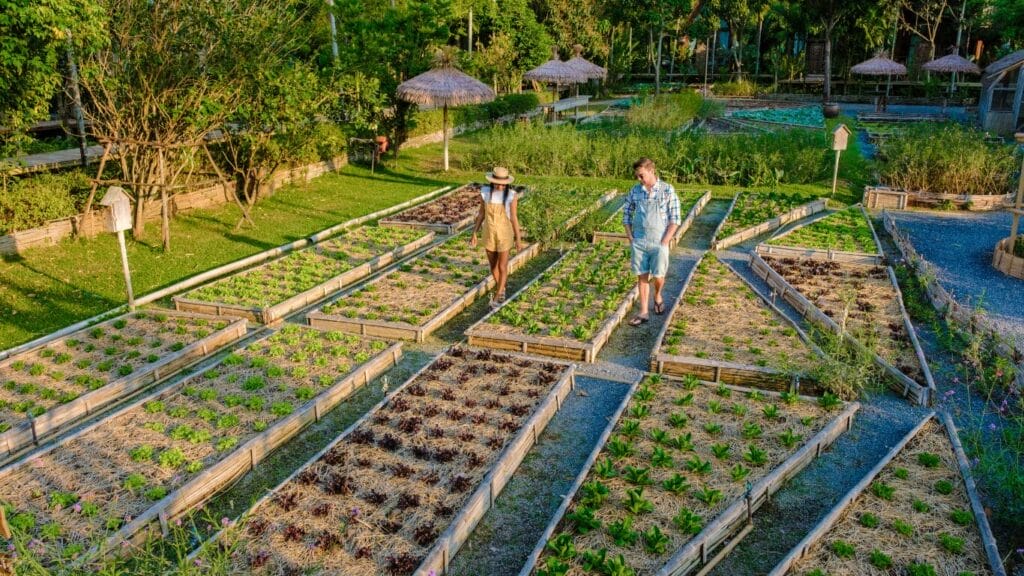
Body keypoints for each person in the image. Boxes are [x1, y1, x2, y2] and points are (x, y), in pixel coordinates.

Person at [623, 157, 681, 326]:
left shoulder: (667, 190)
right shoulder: (635, 191)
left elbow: (675, 219)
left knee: (658, 276)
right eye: (637, 176)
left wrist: (665, 242)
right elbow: (626, 214)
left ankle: (657, 295)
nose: (639, 179)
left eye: (642, 176)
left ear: (651, 171)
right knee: (642, 276)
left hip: (659, 242)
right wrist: (631, 237)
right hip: (639, 241)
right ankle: (643, 312)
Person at [470, 166, 523, 307]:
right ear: (492, 182)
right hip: (489, 231)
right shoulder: (485, 193)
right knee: (493, 266)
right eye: (497, 183)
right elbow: (481, 214)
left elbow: (514, 218)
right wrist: (474, 232)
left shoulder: (511, 195)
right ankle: (502, 287)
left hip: (504, 233)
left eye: (503, 184)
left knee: (502, 266)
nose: (500, 186)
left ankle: (499, 295)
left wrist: (518, 238)